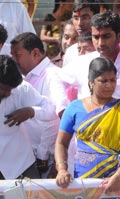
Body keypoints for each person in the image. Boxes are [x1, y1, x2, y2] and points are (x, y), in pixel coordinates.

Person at [55, 57, 120, 193]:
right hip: (84, 180)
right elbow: (61, 143)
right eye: (103, 81)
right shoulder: (74, 108)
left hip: (119, 182)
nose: (109, 85)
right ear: (91, 82)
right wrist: (61, 169)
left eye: (113, 80)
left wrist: (119, 176)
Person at [10, 32, 67, 177]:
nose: (14, 60)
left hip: (47, 162)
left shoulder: (53, 76)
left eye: (17, 55)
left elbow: (60, 116)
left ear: (35, 53)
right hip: (28, 159)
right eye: (12, 55)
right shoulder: (23, 78)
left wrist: (49, 158)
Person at [0, 55, 57, 179]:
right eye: (4, 89)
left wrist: (31, 112)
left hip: (21, 164)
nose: (8, 93)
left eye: (11, 89)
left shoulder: (21, 89)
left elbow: (51, 110)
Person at [63, 0, 100, 67]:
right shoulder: (71, 52)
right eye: (76, 18)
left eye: (85, 18)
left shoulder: (105, 48)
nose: (80, 23)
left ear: (96, 17)